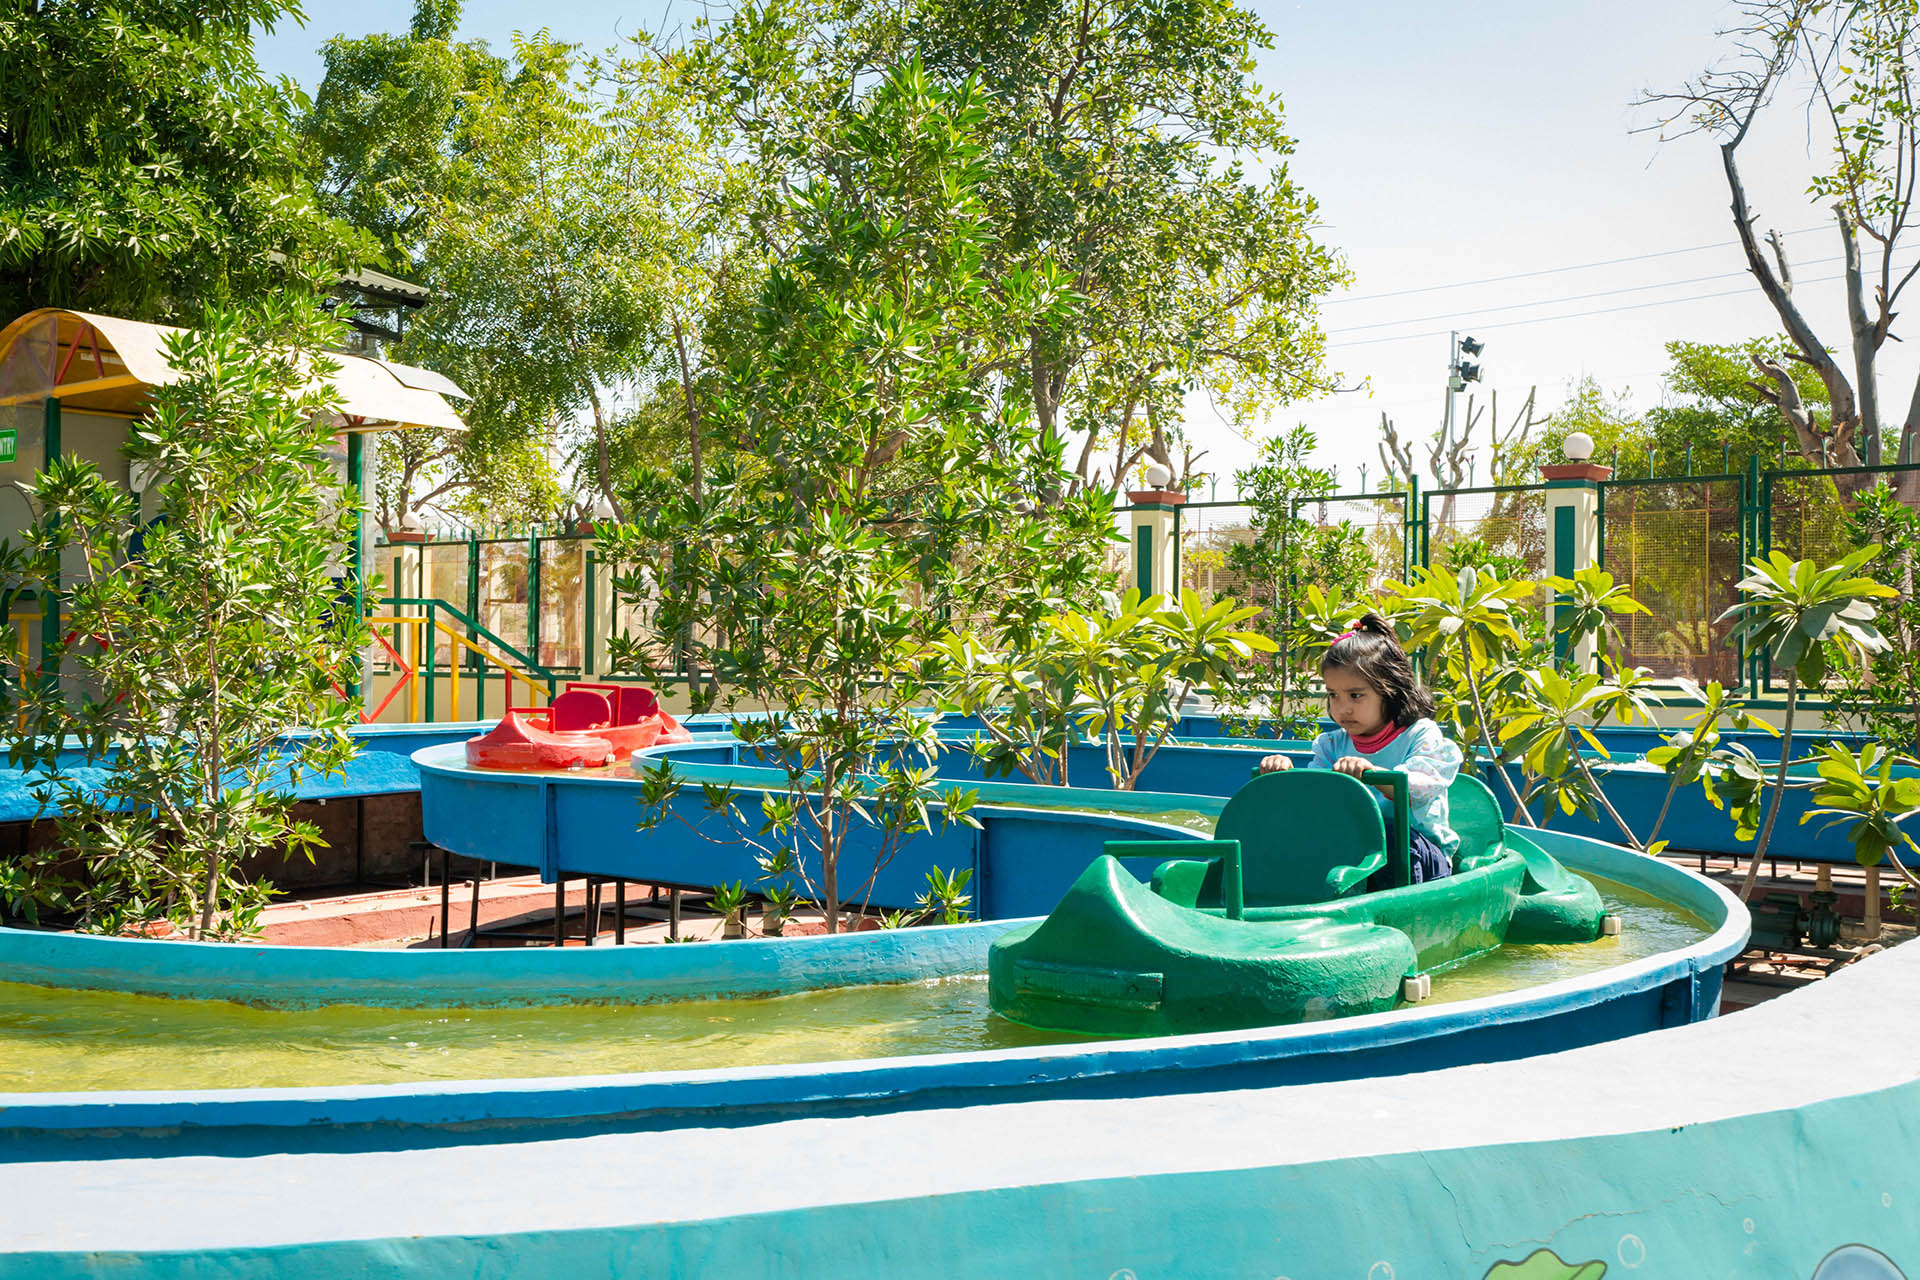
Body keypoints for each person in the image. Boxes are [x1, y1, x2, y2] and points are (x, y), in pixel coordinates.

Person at [1257, 612, 1461, 883]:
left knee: (1390, 835)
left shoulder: (1420, 735)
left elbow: (1419, 789)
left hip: (1419, 854)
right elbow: (1314, 800)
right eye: (1333, 695)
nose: (1343, 708)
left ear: (1390, 690)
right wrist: (1284, 776)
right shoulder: (1332, 745)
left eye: (1356, 695)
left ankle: (1404, 914)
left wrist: (1373, 773)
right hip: (1354, 848)